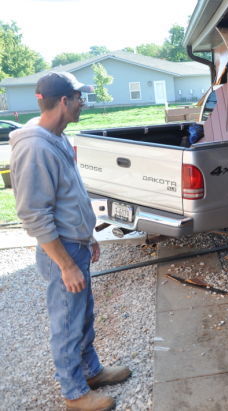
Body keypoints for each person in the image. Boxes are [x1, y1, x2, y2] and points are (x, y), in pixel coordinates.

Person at [9, 72, 131, 411]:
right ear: (64, 101)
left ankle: (91, 371)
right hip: (60, 252)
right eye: (80, 97)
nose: (84, 102)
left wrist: (87, 235)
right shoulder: (34, 147)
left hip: (75, 244)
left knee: (83, 314)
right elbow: (34, 214)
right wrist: (65, 265)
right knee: (66, 322)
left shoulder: (57, 137)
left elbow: (69, 196)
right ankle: (74, 394)